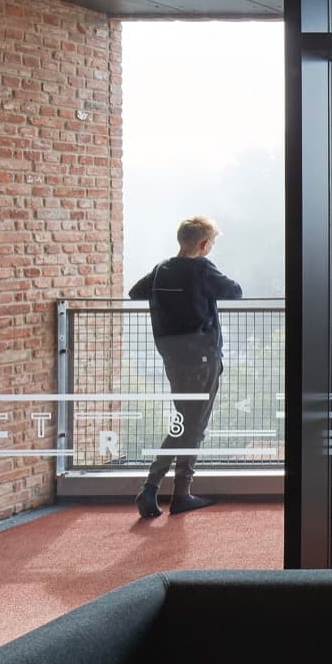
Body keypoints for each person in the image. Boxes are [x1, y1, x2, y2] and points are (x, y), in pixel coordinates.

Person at [126, 216, 242, 518]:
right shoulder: (201, 268)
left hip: (172, 357)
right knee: (194, 426)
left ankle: (155, 487)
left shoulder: (162, 269)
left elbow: (135, 293)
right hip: (202, 358)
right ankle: (175, 492)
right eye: (211, 244)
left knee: (183, 421)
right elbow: (234, 291)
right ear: (203, 244)